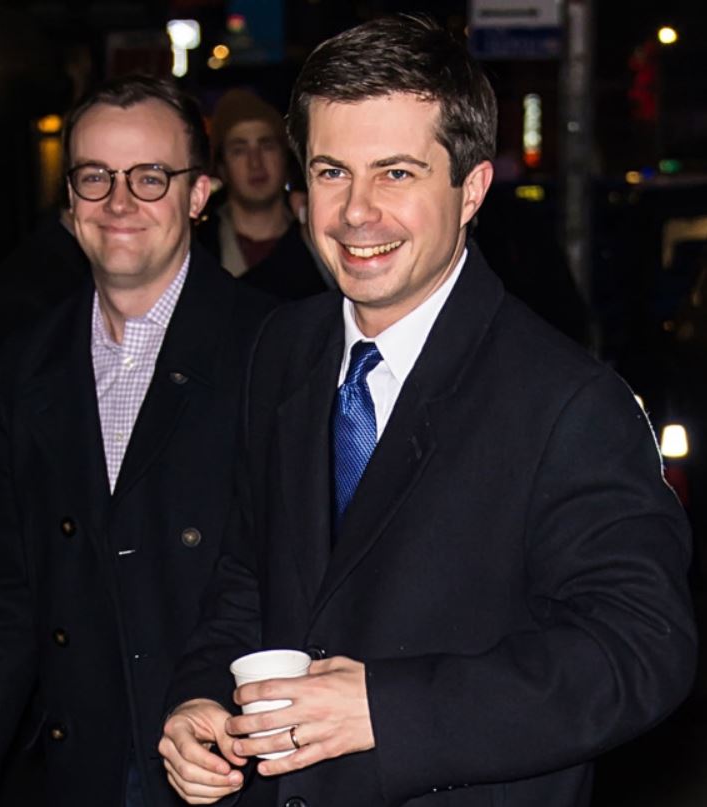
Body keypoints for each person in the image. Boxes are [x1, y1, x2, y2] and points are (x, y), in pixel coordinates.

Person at [158, 15, 697, 807]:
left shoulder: (568, 402)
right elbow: (247, 570)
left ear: (471, 187)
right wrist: (202, 695)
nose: (356, 213)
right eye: (333, 172)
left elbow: (641, 649)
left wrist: (390, 708)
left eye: (398, 174)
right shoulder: (283, 348)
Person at [0, 74, 274, 807]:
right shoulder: (27, 363)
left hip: (217, 763)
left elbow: (290, 576)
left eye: (149, 177)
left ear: (198, 196)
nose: (119, 203)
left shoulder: (269, 348)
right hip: (76, 763)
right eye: (95, 177)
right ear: (69, 202)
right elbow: (3, 592)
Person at [196, 88, 331, 299]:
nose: (255, 163)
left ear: (285, 157)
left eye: (266, 146)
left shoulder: (321, 239)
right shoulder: (198, 248)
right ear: (222, 167)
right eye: (239, 150)